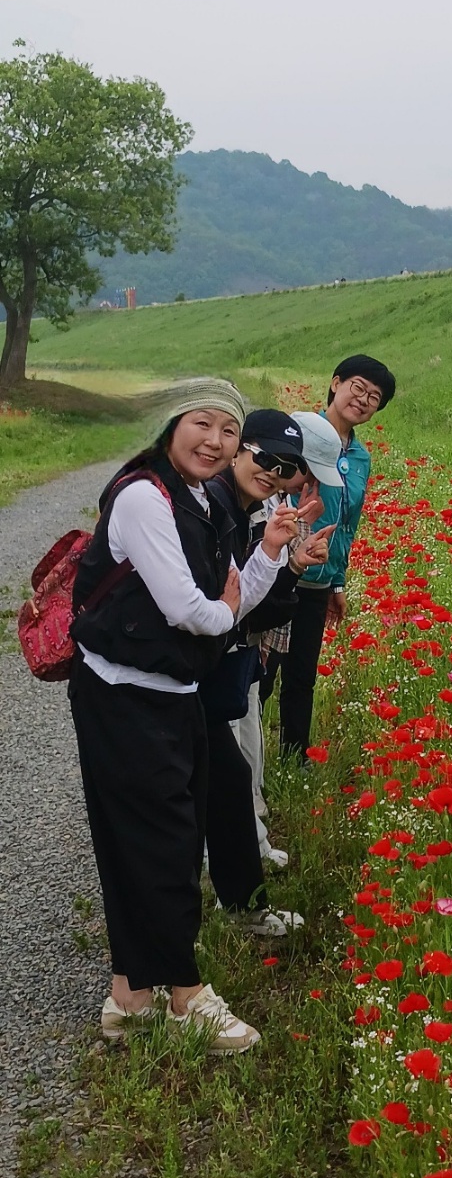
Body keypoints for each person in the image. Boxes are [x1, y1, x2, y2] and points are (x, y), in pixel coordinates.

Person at [68, 378, 280, 1053]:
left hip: (173, 691)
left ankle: (129, 999)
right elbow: (190, 609)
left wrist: (269, 555)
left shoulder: (199, 499)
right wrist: (222, 612)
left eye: (228, 430)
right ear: (171, 423)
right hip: (123, 694)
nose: (214, 441)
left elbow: (228, 600)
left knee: (159, 841)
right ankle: (188, 997)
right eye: (202, 423)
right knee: (159, 844)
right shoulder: (143, 496)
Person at [204, 411, 334, 929]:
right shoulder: (211, 505)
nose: (276, 474)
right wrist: (279, 558)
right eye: (266, 460)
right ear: (239, 449)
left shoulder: (244, 508)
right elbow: (227, 607)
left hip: (214, 662)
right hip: (175, 673)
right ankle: (182, 933)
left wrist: (288, 559)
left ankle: (238, 905)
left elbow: (249, 603)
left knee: (230, 778)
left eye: (287, 468)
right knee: (205, 787)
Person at [276, 356, 396, 761]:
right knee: (262, 672)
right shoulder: (300, 434)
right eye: (358, 388)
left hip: (319, 580)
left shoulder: (360, 458)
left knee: (302, 675)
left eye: (374, 398)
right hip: (280, 571)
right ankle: (244, 761)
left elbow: (347, 524)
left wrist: (338, 581)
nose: (362, 400)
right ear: (335, 383)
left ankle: (294, 759)